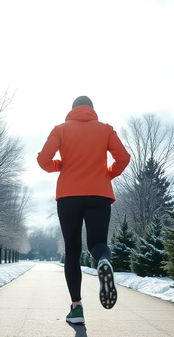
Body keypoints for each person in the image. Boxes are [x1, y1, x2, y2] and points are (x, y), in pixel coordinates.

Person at [36, 95, 131, 324]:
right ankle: (102, 261)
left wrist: (61, 165)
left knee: (72, 251)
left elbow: (43, 160)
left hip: (68, 196)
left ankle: (76, 308)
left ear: (72, 110)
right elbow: (124, 158)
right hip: (99, 194)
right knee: (97, 244)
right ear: (91, 110)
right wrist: (106, 173)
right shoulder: (106, 129)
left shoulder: (60, 130)